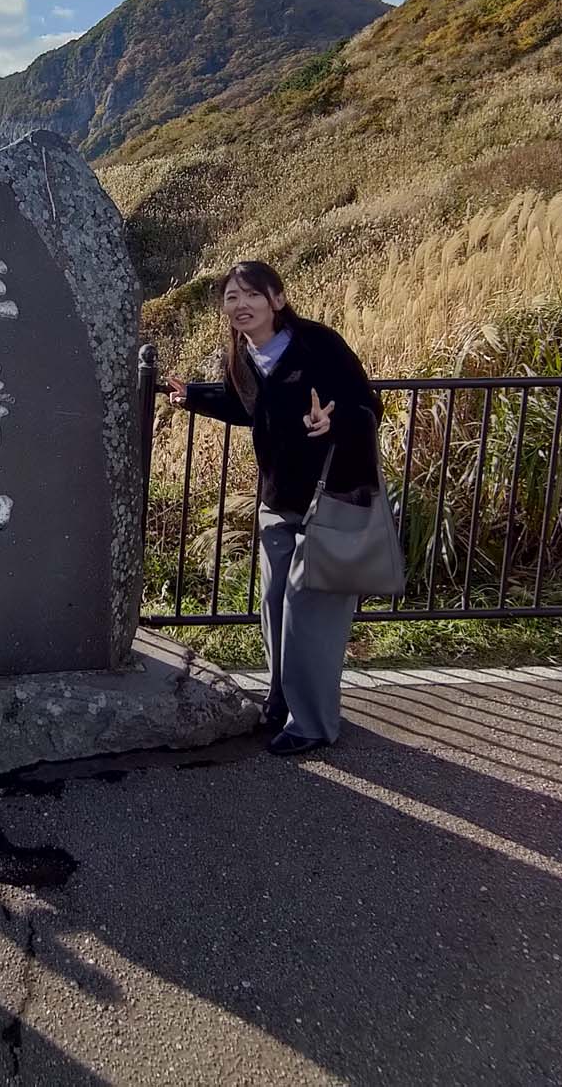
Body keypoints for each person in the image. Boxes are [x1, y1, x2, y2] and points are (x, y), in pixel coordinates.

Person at [165, 260, 379, 757]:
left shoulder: (317, 344)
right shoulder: (239, 356)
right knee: (274, 608)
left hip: (334, 499)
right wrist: (194, 396)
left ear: (277, 299)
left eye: (252, 295)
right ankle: (281, 702)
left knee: (310, 614)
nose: (241, 306)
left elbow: (366, 403)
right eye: (232, 298)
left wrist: (335, 419)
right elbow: (249, 407)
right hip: (277, 500)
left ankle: (314, 723)